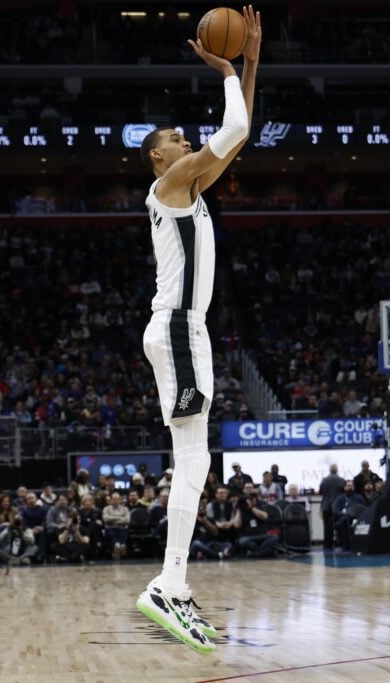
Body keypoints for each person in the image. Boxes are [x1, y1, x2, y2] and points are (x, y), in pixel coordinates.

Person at [132, 5, 260, 653]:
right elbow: (233, 122)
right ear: (159, 157)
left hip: (187, 333)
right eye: (177, 138)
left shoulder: (193, 185)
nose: (188, 141)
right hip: (180, 330)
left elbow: (239, 132)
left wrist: (249, 64)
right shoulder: (171, 184)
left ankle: (175, 586)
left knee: (196, 459)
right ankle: (167, 584)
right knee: (192, 460)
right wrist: (222, 68)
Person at [318, 464, 346, 549]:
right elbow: (344, 493)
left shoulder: (324, 480)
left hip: (325, 507)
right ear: (337, 470)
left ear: (330, 470)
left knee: (327, 527)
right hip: (337, 507)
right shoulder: (342, 480)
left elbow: (320, 492)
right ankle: (340, 543)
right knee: (339, 526)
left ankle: (328, 545)